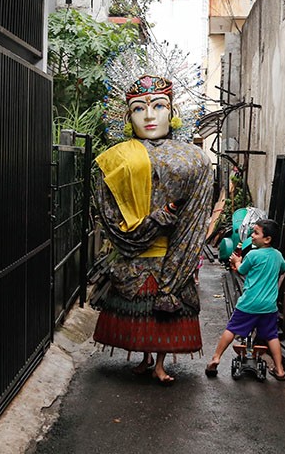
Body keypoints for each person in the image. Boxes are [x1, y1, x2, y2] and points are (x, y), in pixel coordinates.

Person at [92, 75, 212, 385]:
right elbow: (110, 215)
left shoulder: (193, 159)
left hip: (172, 253)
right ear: (127, 116)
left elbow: (194, 219)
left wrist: (179, 264)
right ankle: (146, 360)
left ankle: (158, 363)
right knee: (143, 316)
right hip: (133, 256)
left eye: (158, 106)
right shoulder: (116, 159)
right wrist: (152, 221)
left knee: (162, 317)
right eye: (138, 108)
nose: (148, 116)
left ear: (172, 113)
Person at [204, 218, 285, 380]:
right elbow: (284, 270)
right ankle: (279, 370)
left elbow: (241, 270)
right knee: (272, 336)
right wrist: (275, 289)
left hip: (249, 303)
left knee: (232, 329)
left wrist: (236, 261)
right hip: (269, 306)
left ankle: (216, 358)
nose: (252, 236)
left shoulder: (253, 255)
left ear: (267, 239)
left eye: (256, 233)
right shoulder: (278, 256)